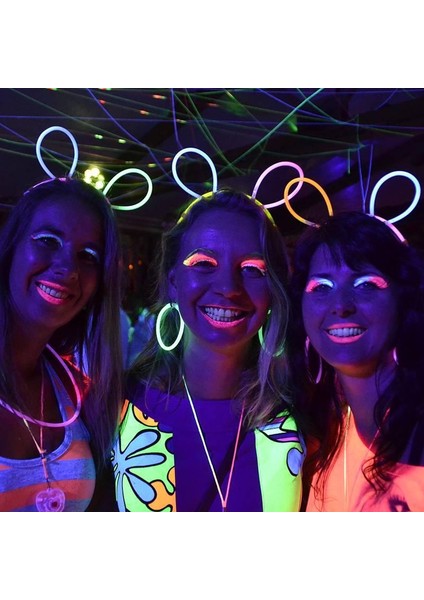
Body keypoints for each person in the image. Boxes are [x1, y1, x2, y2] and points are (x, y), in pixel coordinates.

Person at [112, 188, 305, 511]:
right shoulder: (119, 408)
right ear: (173, 282)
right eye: (204, 263)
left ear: (273, 290)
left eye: (252, 269)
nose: (228, 288)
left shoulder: (297, 413)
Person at [0, 176, 123, 511]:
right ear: (11, 247)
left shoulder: (78, 391)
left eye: (88, 256)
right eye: (48, 241)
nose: (68, 268)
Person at [288, 210, 424, 511]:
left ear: (403, 298)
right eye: (321, 287)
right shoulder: (321, 431)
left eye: (365, 284)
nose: (341, 305)